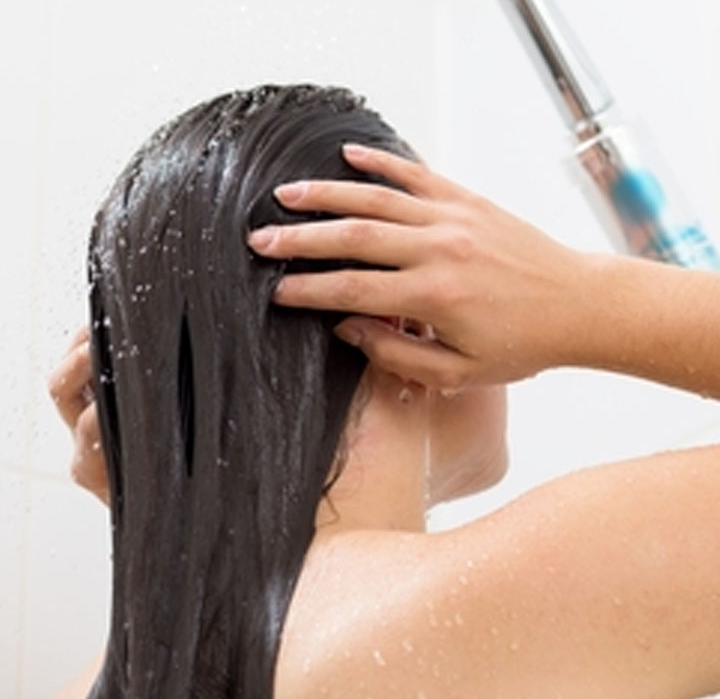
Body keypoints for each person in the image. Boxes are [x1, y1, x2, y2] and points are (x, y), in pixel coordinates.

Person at [48, 84, 720, 698]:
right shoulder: (486, 602)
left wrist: (183, 506)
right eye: (457, 258)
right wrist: (580, 299)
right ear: (412, 320)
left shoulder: (98, 681)